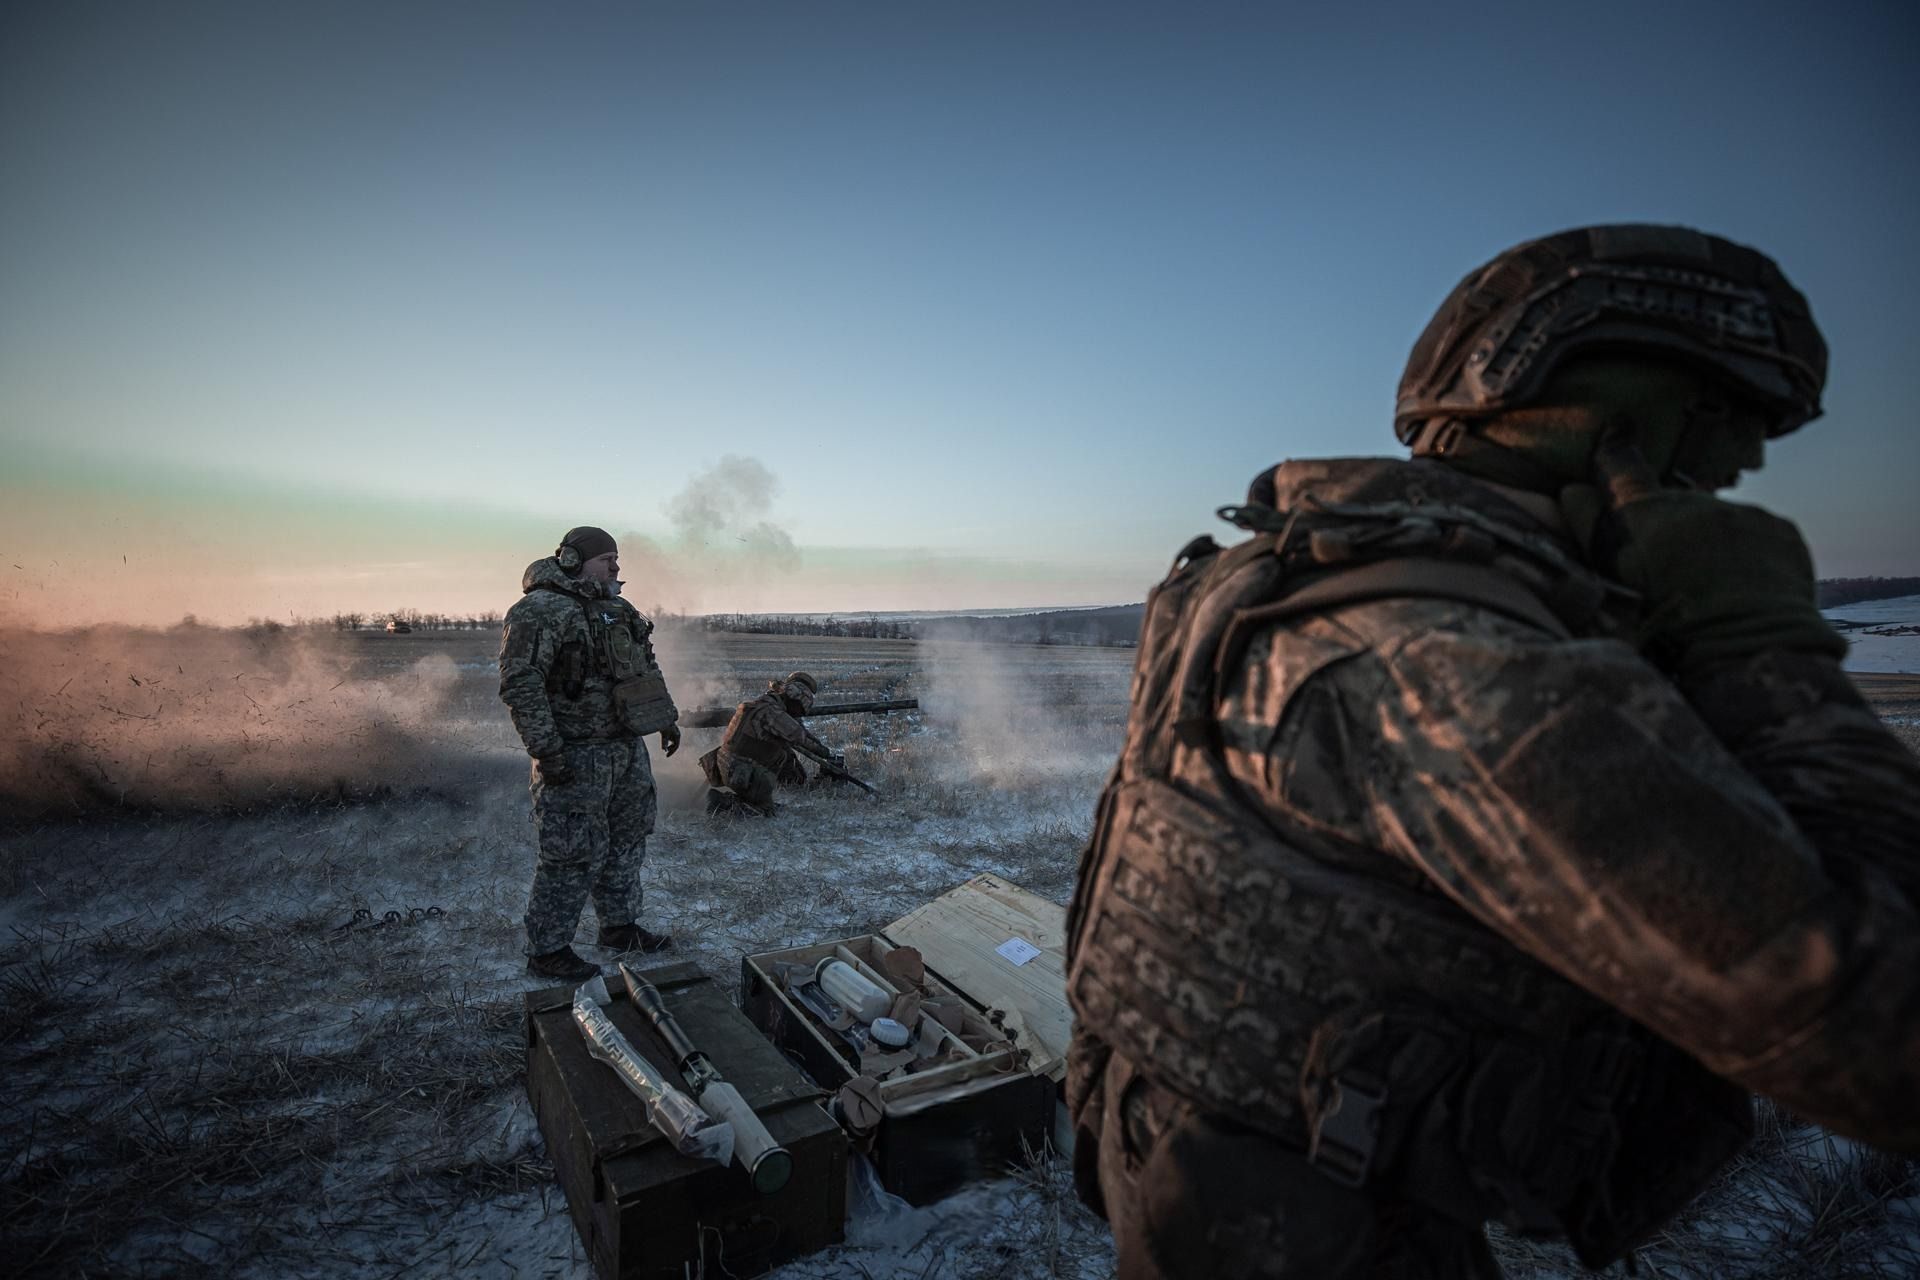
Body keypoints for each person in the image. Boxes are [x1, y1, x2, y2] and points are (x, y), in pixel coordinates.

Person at [1063, 225, 1920, 1278]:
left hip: (1183, 1177)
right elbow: (1883, 1032)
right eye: (1725, 422)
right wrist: (1765, 646)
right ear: (1617, 424)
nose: (1738, 466)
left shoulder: (1258, 577)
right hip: (1320, 1232)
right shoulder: (1466, 660)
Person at [499, 526, 683, 981]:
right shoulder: (538, 611)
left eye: (617, 560)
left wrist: (663, 718)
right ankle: (548, 949)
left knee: (628, 837)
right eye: (607, 560)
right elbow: (521, 684)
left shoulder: (619, 610)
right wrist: (548, 750)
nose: (616, 567)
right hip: (574, 756)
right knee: (571, 851)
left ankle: (619, 927)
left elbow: (644, 667)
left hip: (625, 748)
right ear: (570, 559)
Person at [700, 671, 843, 815]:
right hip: (741, 772)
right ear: (793, 700)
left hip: (724, 765)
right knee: (764, 811)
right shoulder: (772, 713)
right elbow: (801, 738)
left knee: (783, 755)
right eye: (798, 708)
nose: (797, 713)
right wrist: (826, 753)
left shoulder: (757, 705)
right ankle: (722, 803)